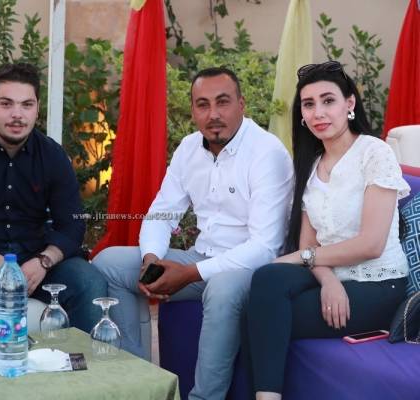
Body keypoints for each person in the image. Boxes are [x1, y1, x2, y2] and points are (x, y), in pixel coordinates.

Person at [92, 66, 294, 399]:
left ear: (241, 104)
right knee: (109, 263)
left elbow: (264, 247)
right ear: (193, 111)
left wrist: (188, 273)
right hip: (202, 259)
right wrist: (151, 259)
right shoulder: (189, 148)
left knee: (223, 289)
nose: (213, 114)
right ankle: (138, 384)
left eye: (222, 102)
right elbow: (162, 213)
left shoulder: (266, 152)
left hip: (252, 269)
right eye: (203, 105)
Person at [243, 61, 410, 400]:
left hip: (379, 284)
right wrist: (329, 280)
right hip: (334, 275)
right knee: (267, 279)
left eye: (328, 100)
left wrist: (301, 258)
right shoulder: (311, 166)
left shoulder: (374, 153)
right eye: (309, 104)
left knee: (261, 317)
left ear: (349, 104)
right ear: (302, 115)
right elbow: (309, 245)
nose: (318, 112)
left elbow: (371, 244)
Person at [0, 63, 107, 338]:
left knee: (89, 281)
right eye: (6, 104)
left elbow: (72, 225)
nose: (17, 114)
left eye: (27, 105)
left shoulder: (52, 155)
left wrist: (43, 261)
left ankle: (83, 363)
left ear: (37, 109)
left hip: (37, 262)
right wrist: (6, 267)